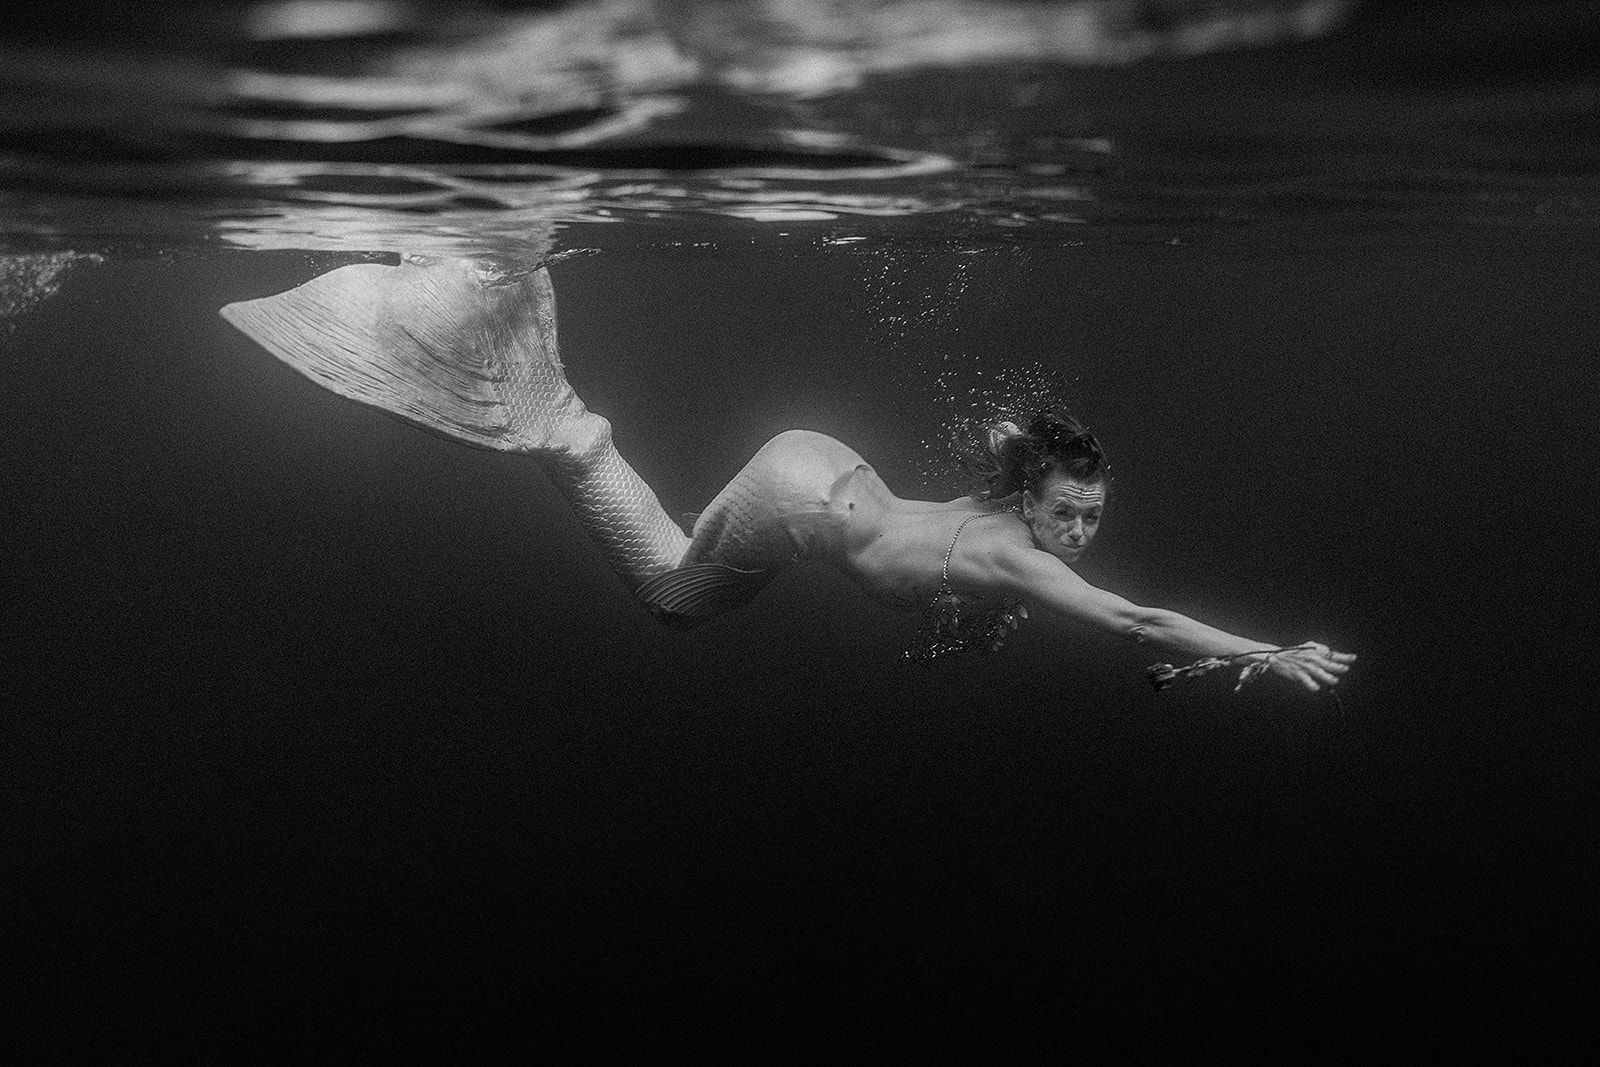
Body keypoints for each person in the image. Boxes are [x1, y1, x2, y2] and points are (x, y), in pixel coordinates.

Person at [221, 256, 1354, 691]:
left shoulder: (1000, 503)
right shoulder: (1017, 550)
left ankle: (549, 397)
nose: (1079, 535)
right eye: (1068, 512)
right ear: (1029, 502)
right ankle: (558, 427)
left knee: (688, 562)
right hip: (799, 496)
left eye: (1092, 516)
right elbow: (1138, 621)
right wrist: (1267, 651)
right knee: (672, 599)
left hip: (818, 459)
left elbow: (1007, 550)